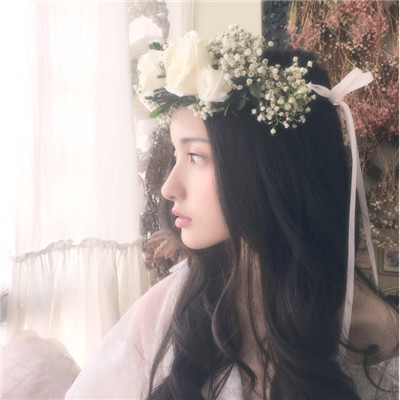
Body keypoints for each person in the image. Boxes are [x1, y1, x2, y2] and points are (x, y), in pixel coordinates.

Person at [66, 26, 398, 399]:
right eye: (177, 155)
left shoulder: (377, 342)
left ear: (270, 168)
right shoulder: (179, 301)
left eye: (196, 156)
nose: (168, 187)